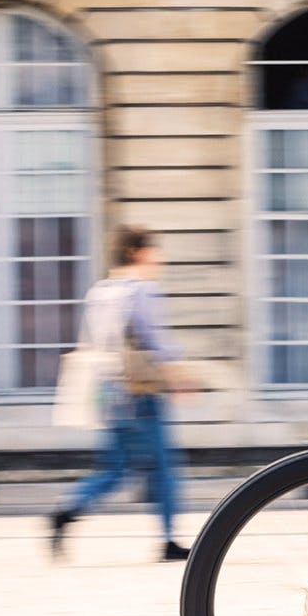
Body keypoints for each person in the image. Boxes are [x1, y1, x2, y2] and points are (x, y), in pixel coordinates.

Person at [49, 225, 195, 562]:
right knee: (163, 468)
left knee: (114, 469)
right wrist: (179, 377)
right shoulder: (142, 291)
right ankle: (170, 540)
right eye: (153, 249)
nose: (160, 257)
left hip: (111, 393)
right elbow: (156, 342)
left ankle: (67, 508)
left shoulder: (101, 292)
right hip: (142, 394)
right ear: (136, 252)